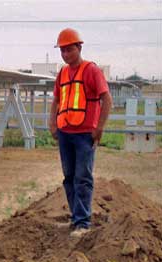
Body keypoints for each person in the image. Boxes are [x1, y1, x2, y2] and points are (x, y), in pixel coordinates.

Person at [49, 28, 113, 238]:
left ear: (79, 47)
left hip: (85, 133)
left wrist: (99, 128)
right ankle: (76, 219)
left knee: (82, 177)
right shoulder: (62, 73)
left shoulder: (91, 70)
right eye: (63, 51)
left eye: (69, 50)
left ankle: (83, 223)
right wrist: (53, 124)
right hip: (65, 132)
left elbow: (107, 99)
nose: (66, 54)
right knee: (69, 177)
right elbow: (56, 100)